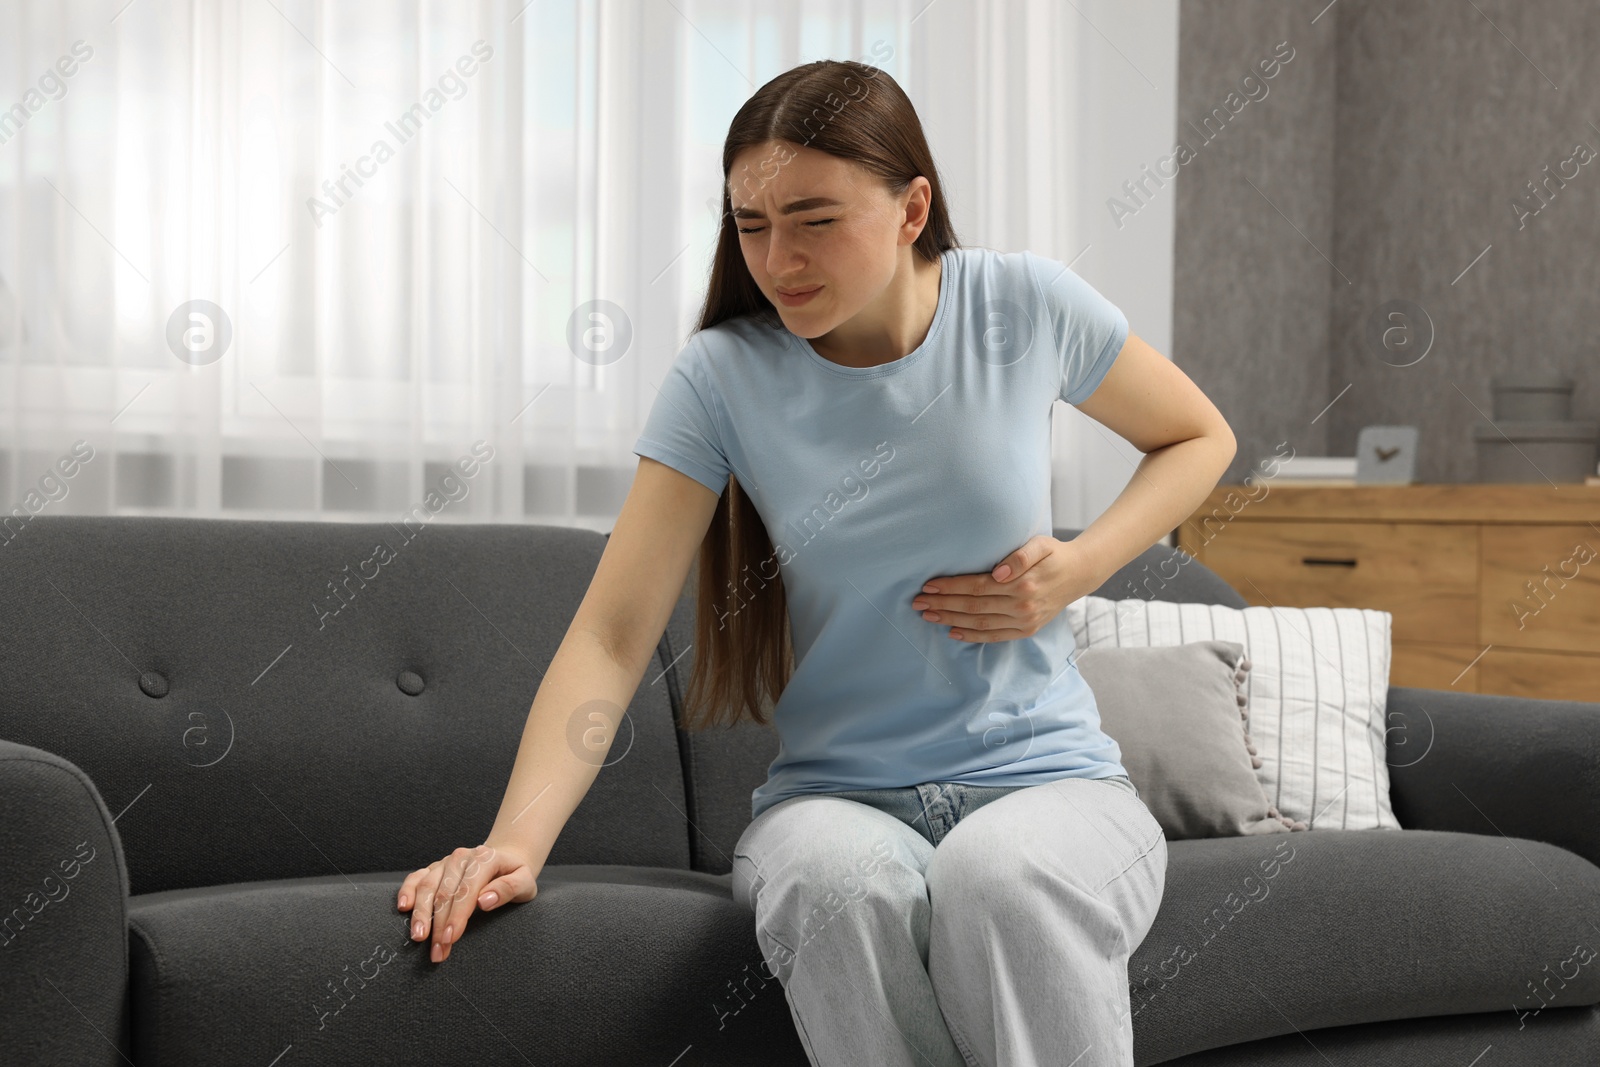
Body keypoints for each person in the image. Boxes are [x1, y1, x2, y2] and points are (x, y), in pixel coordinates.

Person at [398, 58, 1236, 1067]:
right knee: (836, 883)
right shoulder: (721, 377)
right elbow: (614, 632)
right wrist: (516, 838)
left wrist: (1079, 561)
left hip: (1047, 784)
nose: (778, 258)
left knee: (1000, 876)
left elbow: (1199, 435)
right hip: (834, 801)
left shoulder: (1022, 305)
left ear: (910, 205)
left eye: (813, 219)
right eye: (752, 224)